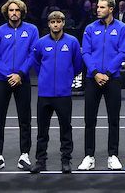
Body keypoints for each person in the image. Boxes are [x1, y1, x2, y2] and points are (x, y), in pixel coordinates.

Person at [79, 0, 125, 171]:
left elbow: (123, 52)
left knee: (113, 119)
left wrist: (107, 73)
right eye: (97, 7)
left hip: (112, 79)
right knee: (89, 119)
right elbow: (85, 52)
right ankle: (89, 156)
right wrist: (95, 73)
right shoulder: (90, 28)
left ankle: (113, 155)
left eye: (101, 7)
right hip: (93, 79)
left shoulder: (122, 28)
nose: (98, 10)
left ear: (111, 9)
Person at [29, 10, 82, 174]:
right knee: (42, 130)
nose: (56, 25)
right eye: (53, 22)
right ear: (49, 24)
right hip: (44, 93)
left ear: (63, 23)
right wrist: (45, 77)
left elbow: (78, 65)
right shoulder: (40, 43)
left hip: (63, 93)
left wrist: (66, 78)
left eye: (58, 22)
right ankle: (40, 161)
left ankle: (66, 160)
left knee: (65, 128)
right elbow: (36, 63)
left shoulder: (72, 42)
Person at [0, 0, 36, 171]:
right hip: (3, 80)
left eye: (16, 10)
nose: (14, 13)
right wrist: (9, 74)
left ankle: (24, 155)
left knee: (25, 120)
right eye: (11, 10)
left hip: (23, 80)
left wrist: (20, 74)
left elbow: (32, 54)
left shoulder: (32, 30)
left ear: (21, 12)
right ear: (6, 13)